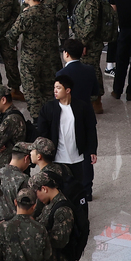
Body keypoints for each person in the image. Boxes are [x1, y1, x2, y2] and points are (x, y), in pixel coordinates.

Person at [34, 75, 97, 204]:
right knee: (59, 189)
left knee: (77, 188)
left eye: (58, 88)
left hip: (76, 157)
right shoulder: (49, 108)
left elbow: (90, 129)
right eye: (54, 88)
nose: (55, 91)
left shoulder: (82, 107)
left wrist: (92, 150)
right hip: (57, 158)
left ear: (68, 90)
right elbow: (42, 133)